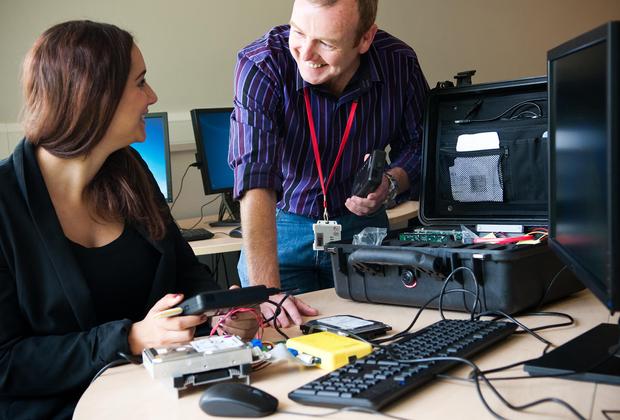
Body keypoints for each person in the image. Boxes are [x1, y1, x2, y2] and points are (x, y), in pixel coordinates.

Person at [0, 21, 257, 420]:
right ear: (93, 97)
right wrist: (131, 337)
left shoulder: (130, 171)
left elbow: (186, 272)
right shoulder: (4, 204)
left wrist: (218, 315)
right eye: (140, 84)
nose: (152, 97)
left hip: (156, 395)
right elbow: (7, 364)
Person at [229, 0, 429, 327]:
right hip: (281, 230)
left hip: (362, 235)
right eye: (298, 31)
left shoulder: (399, 64)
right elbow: (255, 177)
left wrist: (391, 181)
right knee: (288, 346)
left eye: (326, 42)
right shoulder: (262, 64)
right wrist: (265, 289)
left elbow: (422, 144)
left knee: (380, 339)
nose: (305, 53)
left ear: (365, 38)